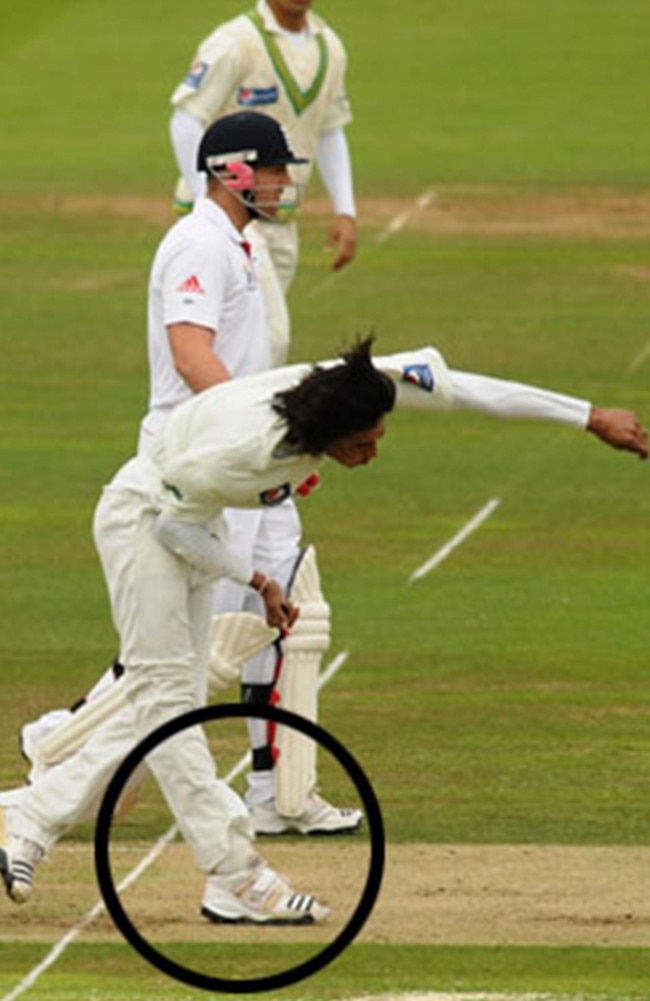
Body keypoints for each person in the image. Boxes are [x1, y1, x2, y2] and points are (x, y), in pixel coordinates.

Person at [1, 337, 647, 915]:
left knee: (169, 704)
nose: (372, 452)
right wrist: (256, 578)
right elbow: (172, 528)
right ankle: (236, 874)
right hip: (146, 525)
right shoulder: (248, 453)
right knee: (170, 712)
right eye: (362, 443)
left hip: (196, 521)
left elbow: (464, 387)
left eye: (379, 436)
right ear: (328, 434)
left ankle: (25, 819)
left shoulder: (349, 383)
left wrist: (587, 416)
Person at [4, 110, 363, 839]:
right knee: (195, 663)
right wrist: (260, 440)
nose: (285, 181)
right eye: (271, 168)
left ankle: (278, 795)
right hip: (199, 469)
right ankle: (56, 756)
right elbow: (192, 355)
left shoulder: (239, 243)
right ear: (232, 171)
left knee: (293, 615)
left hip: (248, 462)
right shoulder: (198, 243)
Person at [169, 0, 356, 366]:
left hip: (281, 217)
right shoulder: (235, 42)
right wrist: (210, 200)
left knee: (236, 345)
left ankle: (213, 420)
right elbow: (186, 119)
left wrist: (345, 210)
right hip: (231, 218)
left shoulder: (329, 47)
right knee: (269, 340)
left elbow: (330, 129)